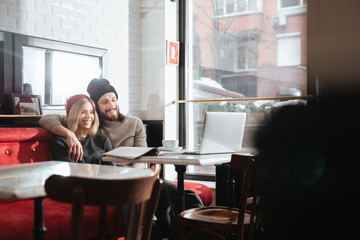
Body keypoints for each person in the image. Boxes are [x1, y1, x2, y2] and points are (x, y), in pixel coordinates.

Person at [40, 78, 203, 240]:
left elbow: (142, 158)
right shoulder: (92, 125)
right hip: (113, 180)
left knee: (186, 196)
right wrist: (68, 133)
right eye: (104, 102)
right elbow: (47, 118)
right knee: (153, 194)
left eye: (113, 99)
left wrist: (133, 179)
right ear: (96, 106)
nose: (111, 105)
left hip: (137, 174)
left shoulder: (134, 123)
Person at [50, 94, 114, 166]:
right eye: (83, 112)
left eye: (91, 112)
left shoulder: (103, 140)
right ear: (73, 114)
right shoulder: (60, 142)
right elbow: (67, 173)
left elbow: (113, 171)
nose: (89, 116)